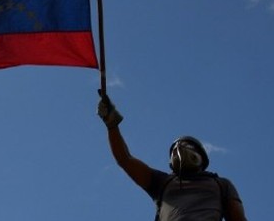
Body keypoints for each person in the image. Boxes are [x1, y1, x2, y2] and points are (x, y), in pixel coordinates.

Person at [97, 91, 247, 221]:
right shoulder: (162, 182)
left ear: (202, 158)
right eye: (175, 149)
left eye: (188, 145)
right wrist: (112, 124)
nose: (180, 149)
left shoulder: (221, 184)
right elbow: (125, 159)